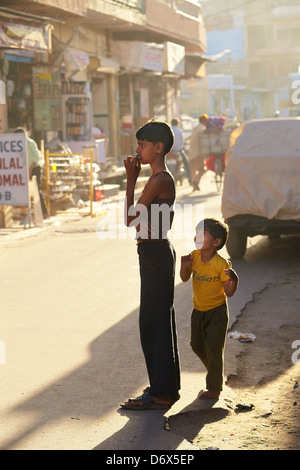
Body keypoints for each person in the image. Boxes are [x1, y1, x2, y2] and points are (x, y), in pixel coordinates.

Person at [121, 119, 180, 410]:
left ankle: (161, 392)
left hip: (155, 253)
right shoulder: (158, 178)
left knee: (152, 323)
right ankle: (166, 388)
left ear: (158, 148)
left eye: (143, 145)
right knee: (158, 321)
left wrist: (130, 178)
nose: (138, 150)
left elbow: (130, 220)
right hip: (154, 253)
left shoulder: (160, 179)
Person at [180, 218, 239, 400]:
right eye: (197, 232)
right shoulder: (194, 256)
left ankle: (214, 388)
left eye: (203, 234)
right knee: (196, 345)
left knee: (214, 348)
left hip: (217, 312)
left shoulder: (221, 264)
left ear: (216, 242)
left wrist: (235, 280)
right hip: (198, 310)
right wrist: (184, 267)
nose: (197, 236)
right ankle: (216, 372)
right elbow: (184, 278)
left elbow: (229, 292)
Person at [15, 127, 49, 218]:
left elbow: (36, 158)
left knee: (36, 190)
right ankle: (28, 213)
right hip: (25, 169)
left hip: (34, 168)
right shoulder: (18, 144)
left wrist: (30, 170)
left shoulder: (29, 143)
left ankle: (45, 212)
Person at [188, 114, 207, 191]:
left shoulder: (195, 128)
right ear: (204, 121)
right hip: (197, 154)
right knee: (202, 170)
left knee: (193, 171)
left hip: (191, 153)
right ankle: (195, 181)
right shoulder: (202, 128)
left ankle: (194, 186)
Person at [171, 118, 191, 183]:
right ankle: (189, 178)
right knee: (186, 163)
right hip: (179, 150)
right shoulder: (179, 131)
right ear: (178, 124)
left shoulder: (169, 130)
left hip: (170, 151)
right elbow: (183, 141)